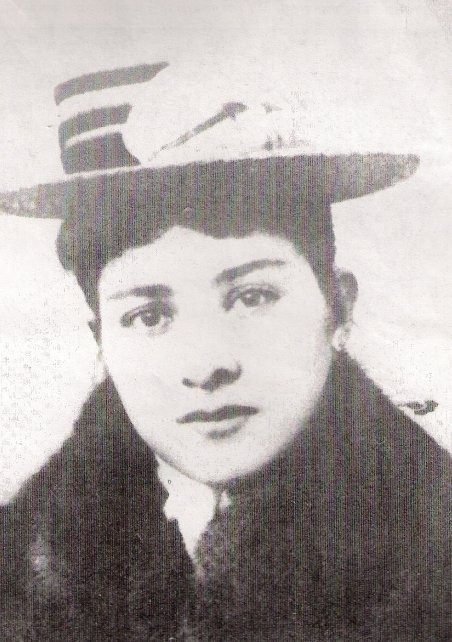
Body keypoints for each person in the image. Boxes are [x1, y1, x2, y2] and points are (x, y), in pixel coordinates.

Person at [0, 59, 451, 642]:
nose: (207, 364)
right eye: (148, 316)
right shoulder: (17, 563)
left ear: (337, 308)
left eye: (253, 297)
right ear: (102, 342)